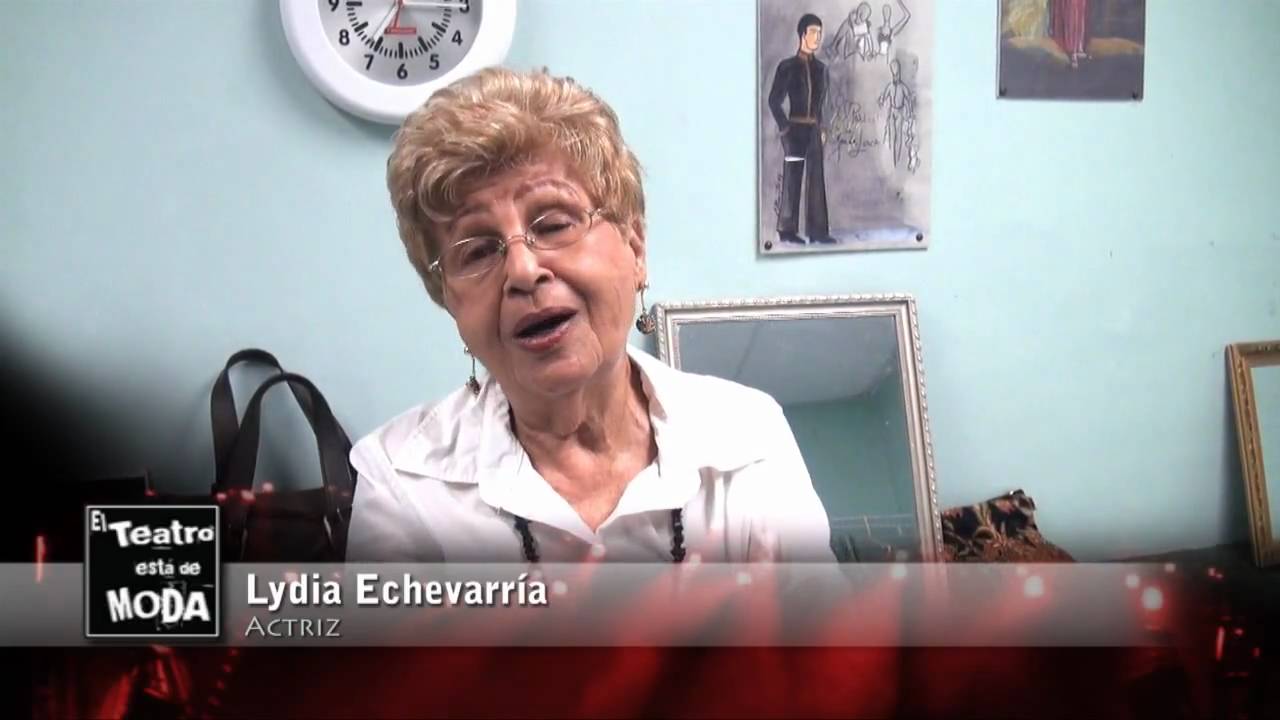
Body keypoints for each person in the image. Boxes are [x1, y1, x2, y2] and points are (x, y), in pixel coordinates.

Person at [346, 67, 834, 563]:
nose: (523, 270)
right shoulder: (398, 479)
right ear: (449, 299)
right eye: (477, 251)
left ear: (635, 248)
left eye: (554, 224)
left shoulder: (748, 436)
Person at [767, 14, 835, 246]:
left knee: (816, 180)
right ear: (802, 35)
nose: (817, 37)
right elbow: (774, 101)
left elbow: (823, 104)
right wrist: (785, 128)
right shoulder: (787, 67)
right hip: (794, 130)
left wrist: (822, 127)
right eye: (813, 32)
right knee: (792, 178)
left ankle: (818, 232)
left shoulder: (821, 70)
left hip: (814, 131)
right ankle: (787, 230)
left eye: (819, 33)